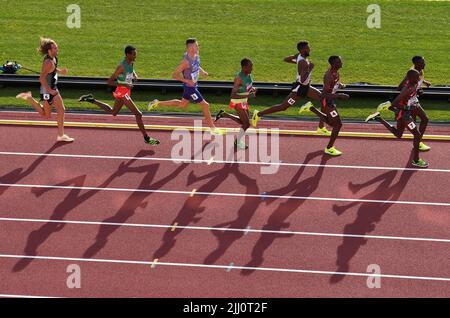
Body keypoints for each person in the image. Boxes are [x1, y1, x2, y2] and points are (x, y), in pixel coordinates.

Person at [78, 45, 160, 145]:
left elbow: (131, 68)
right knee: (138, 114)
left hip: (126, 91)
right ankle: (146, 138)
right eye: (134, 54)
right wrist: (125, 84)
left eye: (136, 54)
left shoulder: (131, 62)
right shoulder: (121, 66)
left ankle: (91, 99)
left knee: (113, 112)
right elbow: (109, 81)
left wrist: (134, 74)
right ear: (128, 55)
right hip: (122, 92)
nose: (135, 56)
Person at [251, 40, 330, 136]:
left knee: (324, 101)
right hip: (300, 88)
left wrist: (295, 58)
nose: (310, 49)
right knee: (283, 107)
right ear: (303, 50)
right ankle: (258, 114)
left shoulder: (299, 57)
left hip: (306, 87)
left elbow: (286, 59)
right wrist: (309, 68)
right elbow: (302, 79)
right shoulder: (303, 62)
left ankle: (321, 127)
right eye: (308, 48)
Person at [147, 38, 224, 135]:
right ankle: (213, 128)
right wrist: (187, 81)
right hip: (190, 88)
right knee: (205, 105)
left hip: (194, 85)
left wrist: (202, 71)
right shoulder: (185, 62)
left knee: (182, 104)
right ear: (191, 48)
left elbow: (196, 64)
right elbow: (174, 75)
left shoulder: (196, 55)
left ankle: (157, 103)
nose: (198, 47)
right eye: (196, 45)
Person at [365, 69, 429, 168]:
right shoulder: (407, 88)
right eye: (417, 77)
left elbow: (411, 96)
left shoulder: (414, 85)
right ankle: (416, 160)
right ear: (411, 78)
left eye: (418, 77)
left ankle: (379, 118)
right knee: (417, 135)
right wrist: (408, 107)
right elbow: (395, 103)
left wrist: (418, 93)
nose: (419, 78)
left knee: (398, 134)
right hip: (405, 115)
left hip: (404, 113)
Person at [16, 37, 74, 142]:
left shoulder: (53, 59)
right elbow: (41, 78)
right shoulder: (48, 62)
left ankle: (61, 135)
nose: (57, 50)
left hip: (53, 88)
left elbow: (53, 69)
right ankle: (30, 99)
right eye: (55, 48)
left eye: (57, 48)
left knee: (61, 110)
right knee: (46, 115)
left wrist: (60, 71)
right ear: (49, 51)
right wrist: (50, 91)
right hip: (46, 90)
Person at [377, 56, 431, 152]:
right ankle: (417, 146)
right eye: (422, 62)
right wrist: (399, 101)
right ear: (416, 64)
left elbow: (418, 80)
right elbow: (402, 85)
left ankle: (418, 142)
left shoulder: (420, 71)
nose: (424, 64)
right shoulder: (412, 73)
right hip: (409, 102)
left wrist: (423, 84)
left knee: (424, 119)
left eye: (424, 62)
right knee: (409, 128)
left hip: (414, 100)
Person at [300, 56, 349, 156]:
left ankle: (311, 108)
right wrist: (339, 95)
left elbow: (334, 84)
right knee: (338, 125)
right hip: (328, 102)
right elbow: (324, 95)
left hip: (330, 100)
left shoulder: (336, 73)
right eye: (339, 61)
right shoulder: (329, 76)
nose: (341, 62)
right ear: (334, 64)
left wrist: (341, 85)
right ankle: (329, 148)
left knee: (333, 123)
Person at [214, 58, 256, 149]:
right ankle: (237, 142)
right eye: (250, 67)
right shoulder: (238, 78)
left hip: (244, 100)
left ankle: (224, 114)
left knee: (244, 122)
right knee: (247, 124)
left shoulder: (248, 74)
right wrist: (248, 95)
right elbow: (232, 95)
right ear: (244, 67)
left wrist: (252, 89)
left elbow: (247, 87)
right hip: (238, 102)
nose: (252, 69)